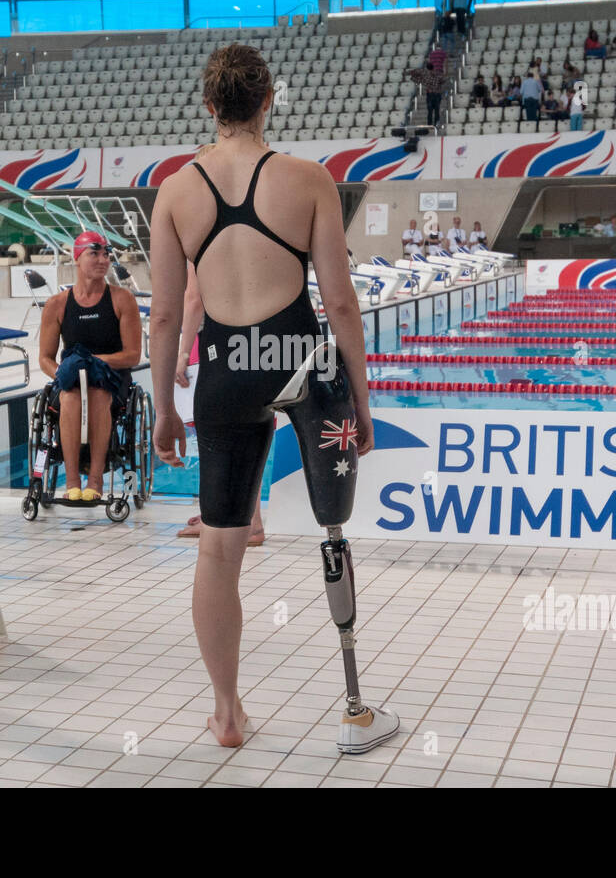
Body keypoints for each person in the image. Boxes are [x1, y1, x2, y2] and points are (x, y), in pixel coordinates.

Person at [147, 43, 397, 754]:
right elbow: (341, 302)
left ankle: (227, 711)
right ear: (268, 101)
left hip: (225, 368)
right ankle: (354, 704)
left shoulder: (176, 190)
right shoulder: (308, 179)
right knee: (334, 530)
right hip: (303, 363)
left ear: (207, 107)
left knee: (220, 550)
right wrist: (362, 400)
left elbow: (166, 315)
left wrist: (165, 403)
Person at [37, 231, 142, 501]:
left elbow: (132, 355)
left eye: (106, 254)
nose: (103, 259)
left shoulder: (121, 300)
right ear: (77, 258)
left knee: (97, 393)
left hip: (112, 380)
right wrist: (64, 371)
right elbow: (45, 358)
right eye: (94, 253)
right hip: (72, 380)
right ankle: (72, 482)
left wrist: (94, 362)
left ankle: (94, 481)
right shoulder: (57, 305)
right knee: (71, 396)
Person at [174, 246, 265, 546]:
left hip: (221, 345)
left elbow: (194, 298)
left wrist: (184, 351)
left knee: (215, 436)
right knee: (250, 433)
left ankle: (237, 521)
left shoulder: (203, 239)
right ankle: (244, 519)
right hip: (261, 344)